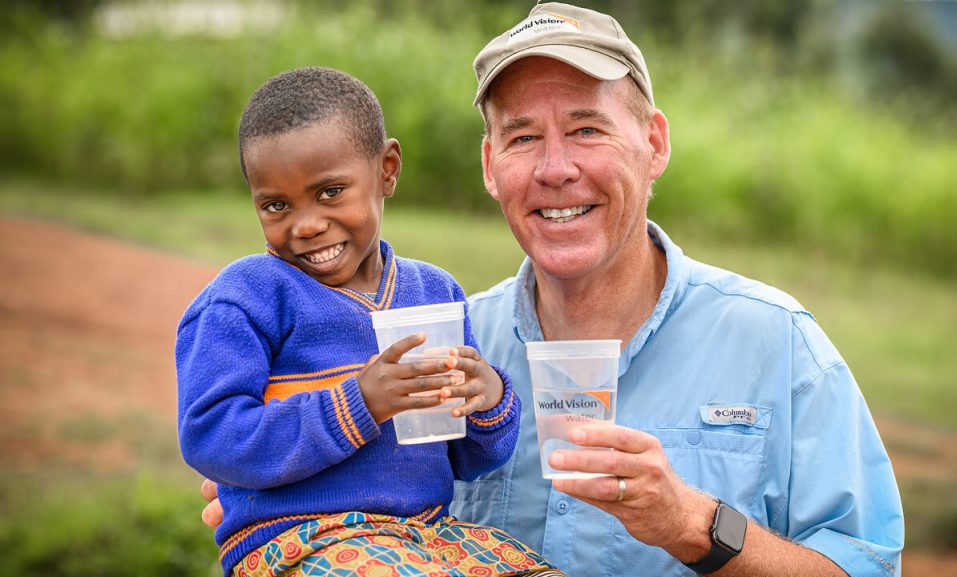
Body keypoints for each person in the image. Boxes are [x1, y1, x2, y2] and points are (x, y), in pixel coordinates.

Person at [202, 4, 904, 576]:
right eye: (523, 138)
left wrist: (692, 524)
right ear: (489, 164)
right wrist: (288, 483)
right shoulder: (441, 335)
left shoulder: (775, 343)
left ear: (654, 144)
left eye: (586, 128)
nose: (556, 168)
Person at [177, 66, 563, 577]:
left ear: (387, 169)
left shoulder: (434, 292)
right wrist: (359, 405)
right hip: (303, 540)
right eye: (276, 205)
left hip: (426, 535)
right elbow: (212, 437)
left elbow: (469, 459)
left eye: (331, 191)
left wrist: (487, 398)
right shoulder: (246, 298)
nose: (307, 224)